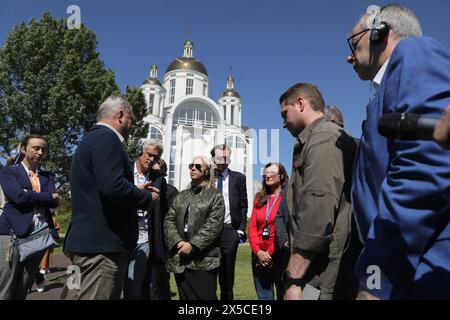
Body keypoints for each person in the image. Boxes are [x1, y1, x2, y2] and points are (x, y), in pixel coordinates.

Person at [347, 4, 450, 299]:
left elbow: (425, 167)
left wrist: (378, 276)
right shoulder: (382, 91)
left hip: (418, 272)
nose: (349, 55)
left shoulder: (414, 52)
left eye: (354, 42)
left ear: (380, 33)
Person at [62, 96, 159, 300]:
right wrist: (145, 197)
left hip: (82, 248)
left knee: (73, 296)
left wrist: (131, 189)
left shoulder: (90, 139)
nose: (132, 126)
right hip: (100, 253)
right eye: (132, 120)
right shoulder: (108, 139)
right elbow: (113, 186)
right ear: (121, 116)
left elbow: (101, 185)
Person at [279, 83, 357, 300]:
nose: (283, 123)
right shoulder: (313, 140)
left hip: (320, 271)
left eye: (285, 113)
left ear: (301, 103)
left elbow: (318, 214)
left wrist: (293, 279)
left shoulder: (324, 138)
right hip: (316, 266)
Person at [0, 134, 60, 299]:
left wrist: (30, 194)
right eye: (36, 148)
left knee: (24, 287)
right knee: (6, 287)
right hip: (11, 234)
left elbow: (55, 201)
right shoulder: (9, 172)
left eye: (43, 149)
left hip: (39, 236)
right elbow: (18, 197)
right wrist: (47, 197)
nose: (40, 152)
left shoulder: (48, 176)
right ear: (23, 149)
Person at [164, 156, 224, 300]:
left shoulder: (215, 196)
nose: (193, 168)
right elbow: (169, 219)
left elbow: (214, 225)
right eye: (191, 165)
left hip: (204, 260)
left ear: (207, 172)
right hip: (181, 258)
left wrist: (192, 245)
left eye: (198, 166)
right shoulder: (181, 195)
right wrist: (178, 242)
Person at [123, 139, 162, 299]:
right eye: (149, 154)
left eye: (156, 157)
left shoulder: (157, 178)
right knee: (113, 284)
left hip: (144, 240)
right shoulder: (123, 171)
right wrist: (137, 192)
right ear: (141, 152)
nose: (151, 159)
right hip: (122, 238)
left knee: (134, 288)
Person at [211, 144, 248, 300]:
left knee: (227, 275)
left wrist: (239, 230)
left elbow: (243, 205)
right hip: (209, 231)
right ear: (213, 158)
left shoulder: (238, 178)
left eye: (225, 158)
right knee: (209, 272)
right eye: (219, 157)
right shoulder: (207, 177)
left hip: (229, 231)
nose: (222, 161)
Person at [249, 162, 288, 300]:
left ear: (282, 177)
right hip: (258, 256)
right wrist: (258, 252)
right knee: (264, 297)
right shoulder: (259, 197)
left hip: (280, 255)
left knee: (283, 295)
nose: (268, 175)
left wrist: (269, 253)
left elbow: (284, 228)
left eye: (273, 173)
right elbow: (252, 227)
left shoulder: (287, 198)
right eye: (266, 172)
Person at [148, 158, 179, 300]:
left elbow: (174, 219)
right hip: (145, 240)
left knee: (160, 282)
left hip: (162, 245)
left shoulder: (171, 192)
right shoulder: (145, 188)